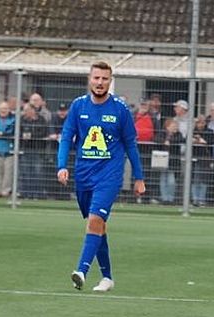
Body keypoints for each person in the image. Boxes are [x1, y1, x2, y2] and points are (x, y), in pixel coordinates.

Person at [57, 61, 144, 293]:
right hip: (84, 175)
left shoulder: (120, 109)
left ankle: (81, 271)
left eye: (105, 79)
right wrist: (61, 166)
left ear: (110, 81)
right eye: (96, 78)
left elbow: (131, 144)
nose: (100, 82)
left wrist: (139, 177)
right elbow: (66, 137)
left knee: (95, 220)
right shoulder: (78, 106)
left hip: (109, 176)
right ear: (90, 79)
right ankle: (107, 277)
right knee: (98, 225)